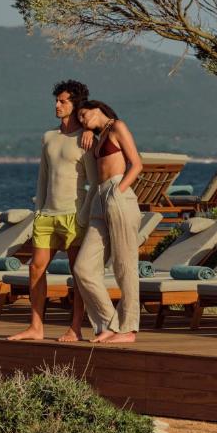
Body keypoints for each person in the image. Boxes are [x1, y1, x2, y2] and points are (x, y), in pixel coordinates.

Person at [8, 80, 96, 342]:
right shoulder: (48, 137)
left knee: (77, 272)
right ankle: (36, 326)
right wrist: (38, 211)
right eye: (56, 100)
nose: (57, 105)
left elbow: (94, 184)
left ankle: (75, 327)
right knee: (36, 268)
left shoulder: (86, 139)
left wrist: (84, 216)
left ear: (75, 105)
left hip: (74, 215)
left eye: (63, 101)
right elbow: (43, 178)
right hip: (46, 215)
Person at [72, 100, 144, 343]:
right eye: (79, 118)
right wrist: (86, 130)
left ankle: (128, 330)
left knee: (124, 266)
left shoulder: (117, 127)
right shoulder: (99, 135)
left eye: (84, 115)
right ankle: (110, 323)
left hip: (117, 194)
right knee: (83, 268)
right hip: (99, 199)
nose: (82, 120)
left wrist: (118, 192)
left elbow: (137, 164)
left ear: (98, 109)